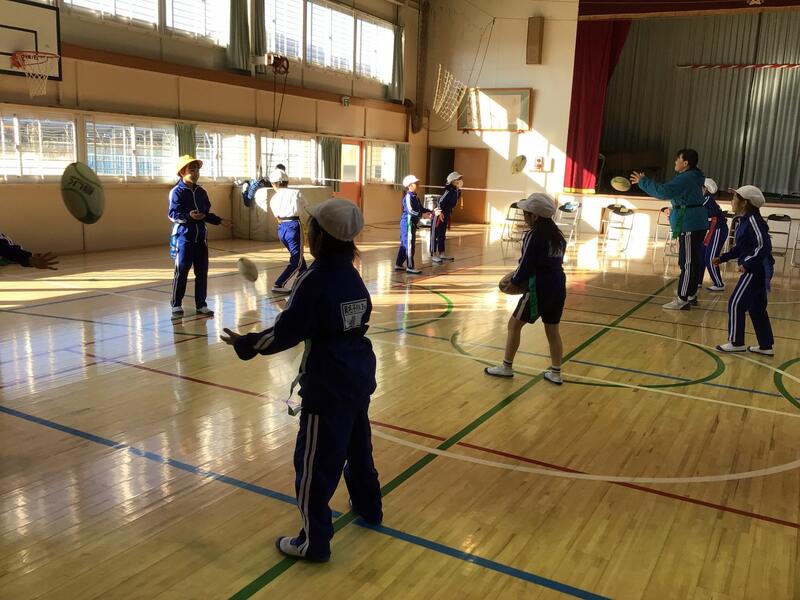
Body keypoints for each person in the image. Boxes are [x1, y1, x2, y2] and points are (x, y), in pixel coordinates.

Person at [220, 198, 382, 563]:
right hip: (358, 374)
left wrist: (247, 343)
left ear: (320, 236)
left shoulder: (315, 278)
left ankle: (314, 542)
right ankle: (369, 506)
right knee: (359, 448)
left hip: (328, 381)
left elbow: (286, 333)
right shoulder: (352, 274)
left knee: (313, 467)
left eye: (311, 227)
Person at [484, 193, 566, 385]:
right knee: (552, 330)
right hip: (558, 286)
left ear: (534, 216)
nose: (524, 216)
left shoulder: (533, 235)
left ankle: (506, 367)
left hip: (539, 288)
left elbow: (525, 263)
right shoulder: (559, 236)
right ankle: (556, 372)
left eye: (526, 213)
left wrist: (514, 281)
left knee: (514, 325)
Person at [631, 149, 708, 309]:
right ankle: (691, 294)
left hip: (690, 223)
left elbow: (663, 192)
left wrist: (643, 181)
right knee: (692, 261)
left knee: (687, 262)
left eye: (677, 159)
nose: (675, 162)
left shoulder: (686, 178)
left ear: (685, 163)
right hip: (696, 222)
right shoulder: (695, 176)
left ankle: (682, 298)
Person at [712, 185, 775, 355]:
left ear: (745, 202)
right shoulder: (744, 220)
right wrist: (723, 257)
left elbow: (764, 246)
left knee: (736, 303)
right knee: (757, 307)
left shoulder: (754, 220)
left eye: (735, 198)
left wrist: (747, 263)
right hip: (758, 269)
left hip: (757, 269)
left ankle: (736, 342)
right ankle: (765, 346)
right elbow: (741, 247)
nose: (732, 201)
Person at [168, 155, 230, 318]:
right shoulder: (176, 192)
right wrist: (189, 216)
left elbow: (205, 214)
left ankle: (201, 304)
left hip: (201, 239)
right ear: (182, 172)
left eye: (197, 170)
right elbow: (173, 215)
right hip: (184, 239)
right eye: (192, 170)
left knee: (202, 273)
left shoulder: (202, 192)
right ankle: (176, 304)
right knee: (181, 272)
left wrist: (219, 221)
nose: (195, 173)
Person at [268, 168, 307, 294]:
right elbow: (306, 208)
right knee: (297, 260)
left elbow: (277, 217)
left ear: (274, 184)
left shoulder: (273, 199)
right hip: (293, 226)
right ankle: (279, 284)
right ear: (287, 182)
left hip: (281, 229)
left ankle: (304, 277)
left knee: (297, 256)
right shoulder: (296, 193)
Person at [395, 174, 432, 275]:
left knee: (405, 244)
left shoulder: (416, 197)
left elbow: (421, 209)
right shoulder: (408, 197)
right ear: (409, 186)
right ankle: (410, 267)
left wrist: (431, 211)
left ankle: (398, 264)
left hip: (412, 224)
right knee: (409, 245)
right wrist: (422, 215)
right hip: (407, 223)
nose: (418, 185)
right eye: (416, 183)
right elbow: (411, 211)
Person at [702, 178, 728, 292]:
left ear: (706, 189)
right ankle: (698, 281)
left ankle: (718, 283)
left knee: (710, 257)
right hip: (712, 230)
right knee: (702, 254)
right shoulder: (705, 199)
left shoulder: (706, 199)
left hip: (718, 230)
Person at [430, 171, 462, 263]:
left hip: (446, 214)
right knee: (435, 234)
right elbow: (440, 202)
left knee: (442, 234)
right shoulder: (448, 191)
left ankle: (442, 253)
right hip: (439, 214)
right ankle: (433, 254)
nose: (460, 181)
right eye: (458, 179)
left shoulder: (457, 191)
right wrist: (439, 213)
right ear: (453, 181)